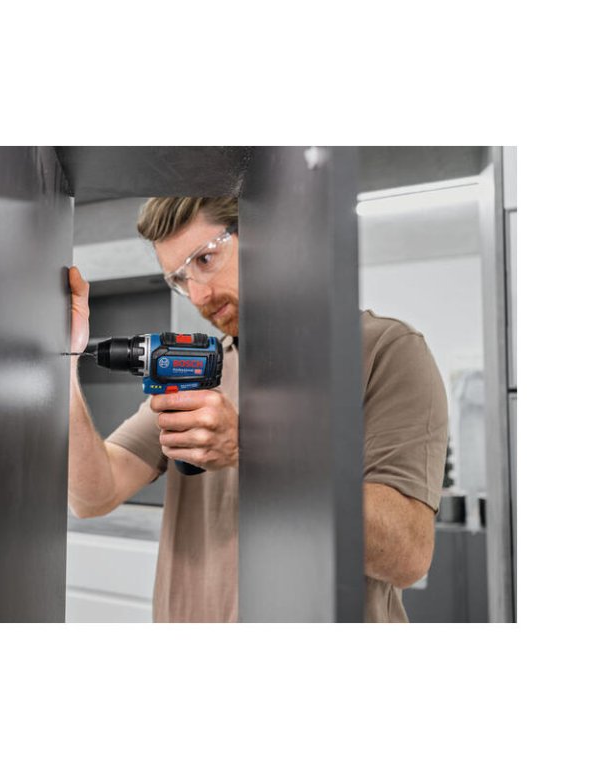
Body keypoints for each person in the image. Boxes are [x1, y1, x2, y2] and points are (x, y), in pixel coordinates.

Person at [67, 196, 448, 622]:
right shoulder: (203, 365)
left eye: (205, 259)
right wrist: (65, 360)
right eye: (179, 279)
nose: (198, 294)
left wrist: (251, 447)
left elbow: (408, 555)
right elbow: (92, 495)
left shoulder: (383, 350)